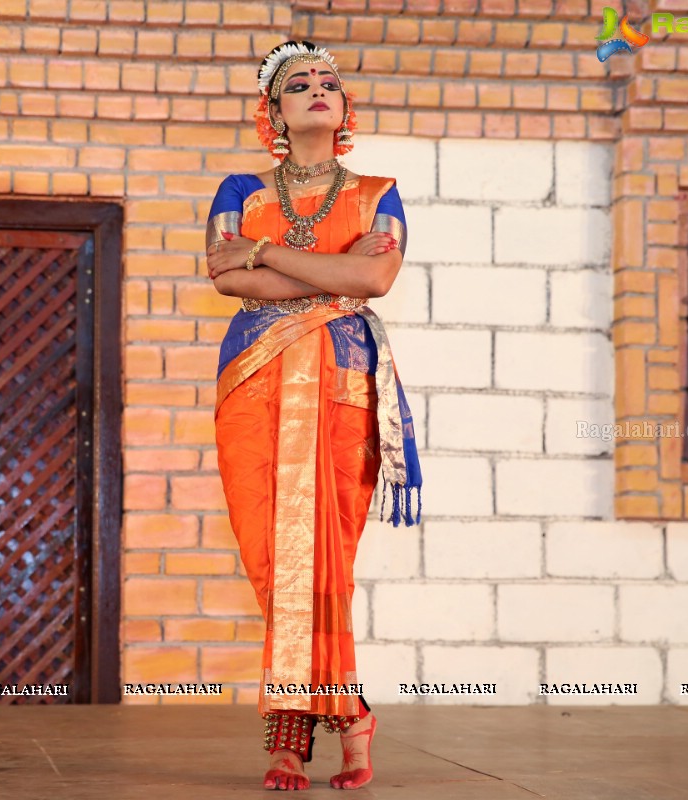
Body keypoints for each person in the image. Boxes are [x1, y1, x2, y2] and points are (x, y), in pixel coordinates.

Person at [205, 40, 423, 791]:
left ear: (344, 106)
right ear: (275, 112)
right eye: (299, 85)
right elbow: (227, 275)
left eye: (329, 82)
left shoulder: (378, 193)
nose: (317, 90)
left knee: (325, 561)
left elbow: (376, 276)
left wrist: (267, 254)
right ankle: (349, 709)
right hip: (255, 379)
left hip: (344, 384)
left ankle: (291, 729)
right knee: (273, 558)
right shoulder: (240, 187)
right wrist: (328, 271)